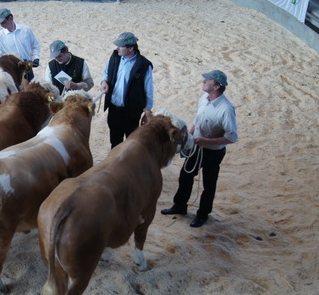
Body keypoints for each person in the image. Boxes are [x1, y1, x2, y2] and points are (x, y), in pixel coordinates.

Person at [161, 70, 238, 228]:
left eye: (207, 80)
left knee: (209, 184)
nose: (202, 82)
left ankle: (203, 214)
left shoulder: (226, 109)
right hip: (197, 146)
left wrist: (207, 141)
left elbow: (232, 137)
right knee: (185, 176)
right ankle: (180, 206)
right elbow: (198, 120)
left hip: (213, 152)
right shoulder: (204, 98)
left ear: (216, 86)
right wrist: (190, 135)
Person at [99, 32, 153, 148]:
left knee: (131, 143)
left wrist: (147, 112)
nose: (117, 48)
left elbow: (148, 90)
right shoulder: (114, 57)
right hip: (114, 110)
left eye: (120, 46)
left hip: (131, 112)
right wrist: (104, 82)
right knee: (115, 141)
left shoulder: (144, 65)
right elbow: (106, 73)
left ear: (130, 48)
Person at [0, 8, 40, 81]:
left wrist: (35, 58)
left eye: (3, 22)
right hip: (13, 72)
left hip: (28, 67)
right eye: (0, 23)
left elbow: (35, 45)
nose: (2, 25)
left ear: (11, 18)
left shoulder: (26, 30)